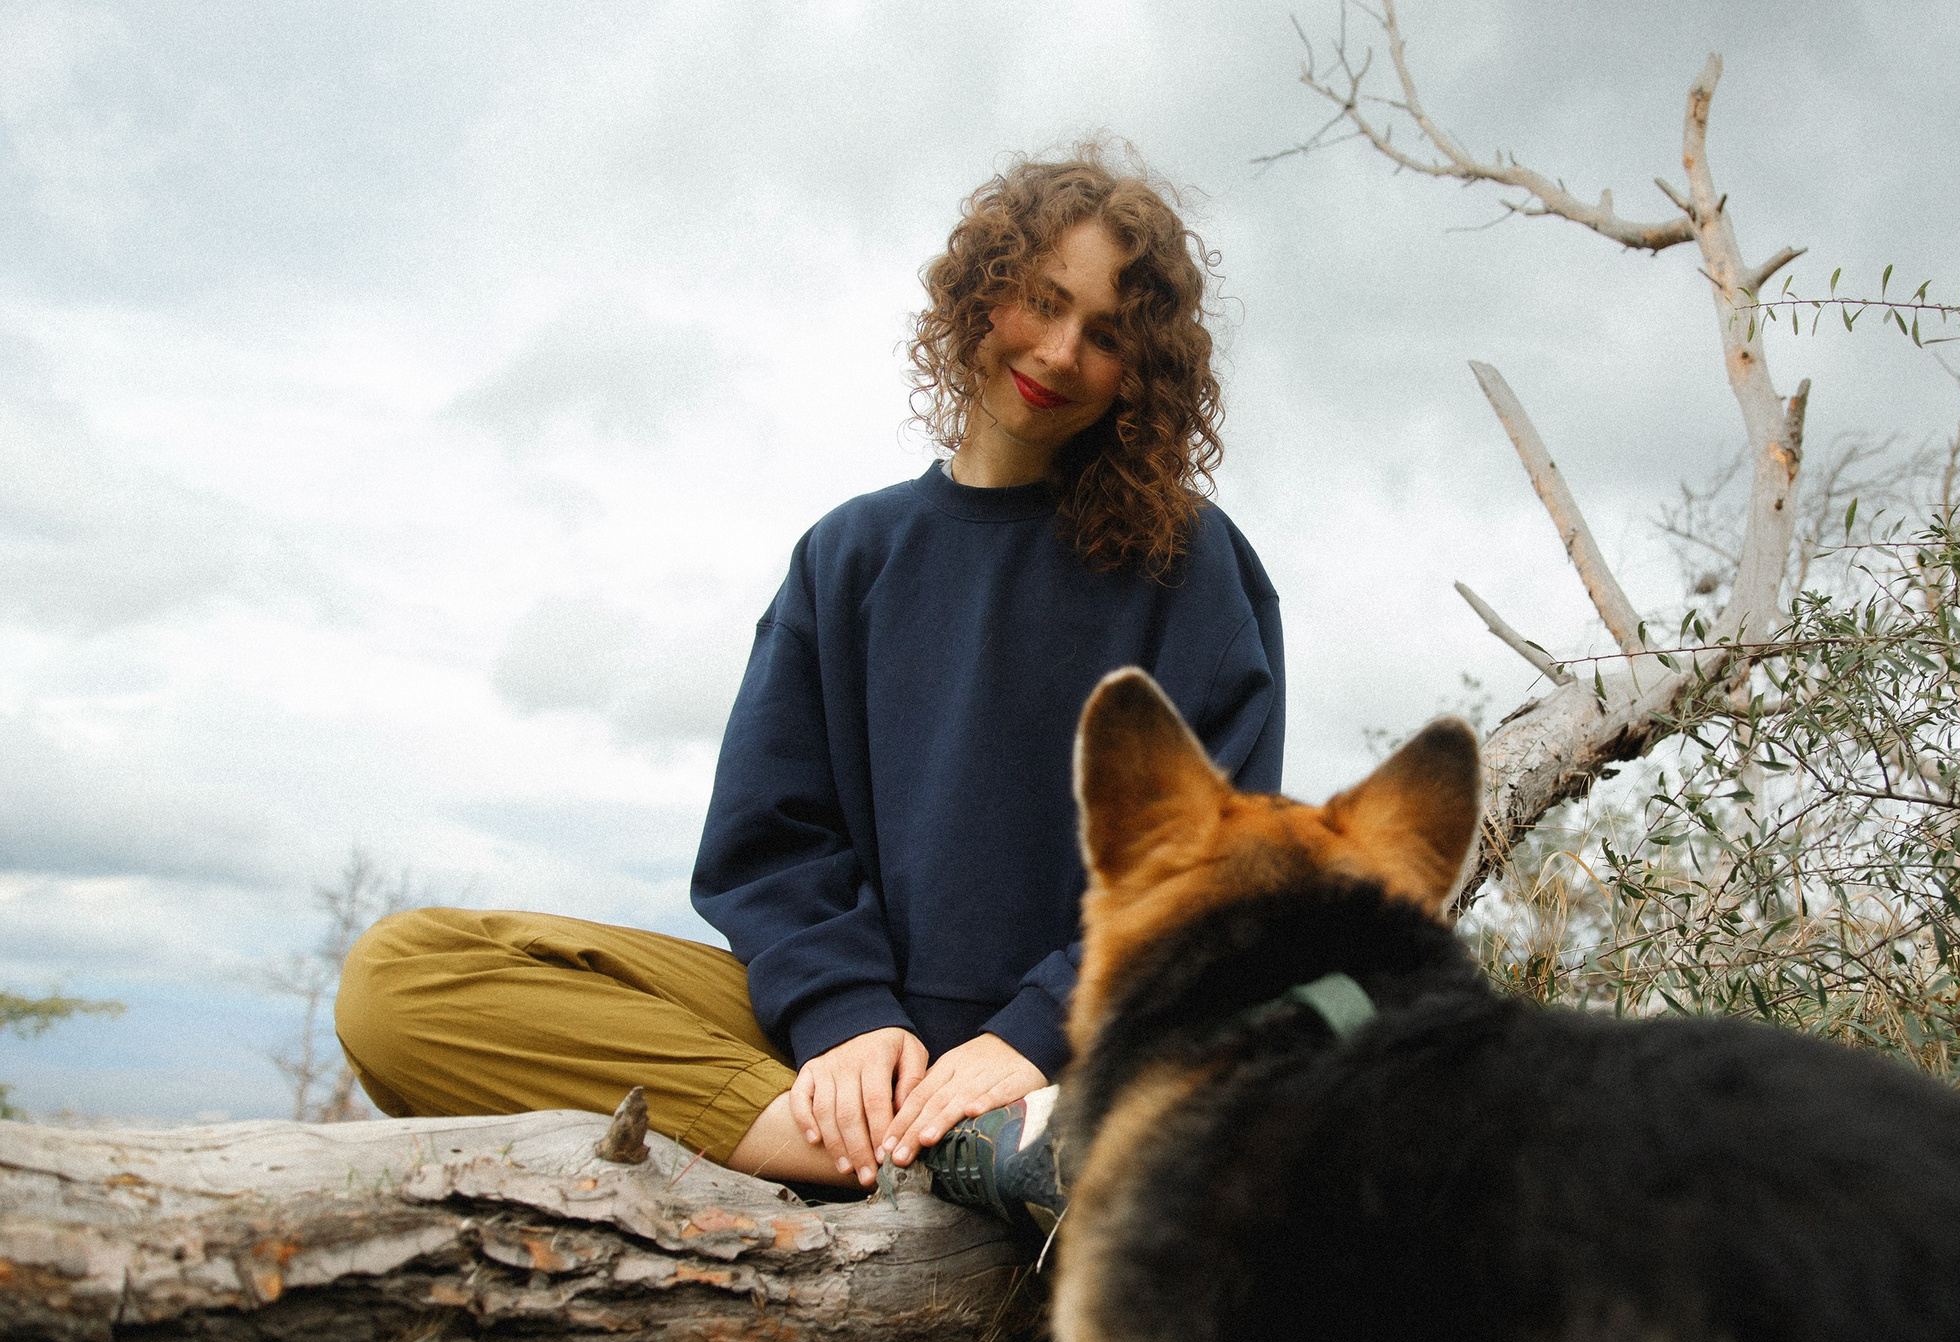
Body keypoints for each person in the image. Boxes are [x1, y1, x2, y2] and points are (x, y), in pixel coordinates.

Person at [335, 147, 1284, 1210]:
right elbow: (771, 840)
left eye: (1107, 335)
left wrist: (1031, 1033)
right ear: (983, 289)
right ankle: (884, 1148)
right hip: (833, 1046)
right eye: (1042, 301)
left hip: (1071, 1049)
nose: (1060, 352)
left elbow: (1216, 857)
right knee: (398, 982)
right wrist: (844, 1016)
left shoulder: (1186, 563)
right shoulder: (850, 554)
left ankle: (973, 1134)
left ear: (1141, 373)